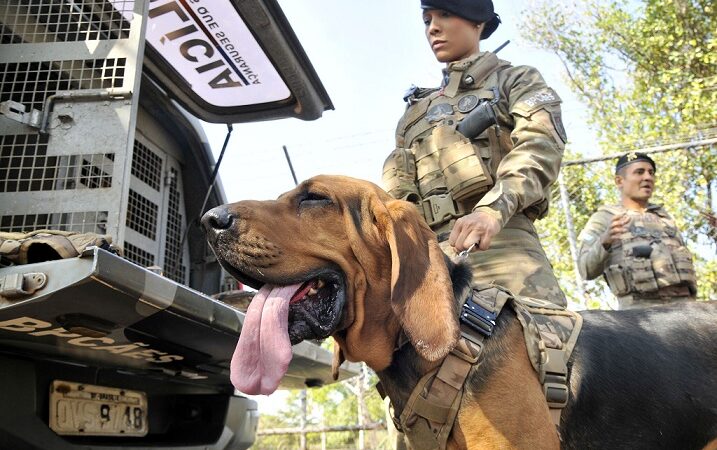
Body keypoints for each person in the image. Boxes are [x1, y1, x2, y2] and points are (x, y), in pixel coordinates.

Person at [382, 0, 567, 306]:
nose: (433, 28)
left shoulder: (514, 80)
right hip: (430, 262)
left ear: (477, 21)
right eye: (427, 20)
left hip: (502, 244)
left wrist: (490, 211)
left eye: (445, 14)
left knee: (544, 345)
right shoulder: (413, 114)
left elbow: (540, 145)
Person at [577, 152, 697, 309]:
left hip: (685, 308)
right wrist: (605, 241)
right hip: (640, 315)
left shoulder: (664, 217)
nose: (648, 177)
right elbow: (585, 270)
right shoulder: (605, 218)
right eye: (639, 172)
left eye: (651, 173)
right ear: (619, 181)